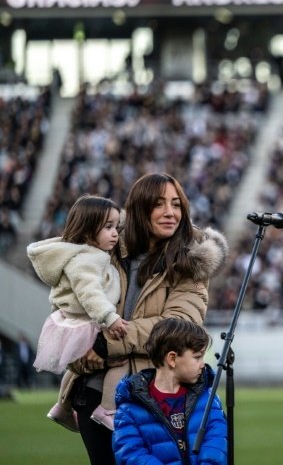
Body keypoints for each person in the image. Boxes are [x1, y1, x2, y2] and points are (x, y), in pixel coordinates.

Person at [62, 173, 228, 465]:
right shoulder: (106, 249)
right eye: (159, 204)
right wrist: (81, 352)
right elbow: (72, 309)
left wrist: (104, 346)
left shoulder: (192, 262)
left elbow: (179, 327)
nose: (170, 212)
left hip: (151, 397)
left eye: (176, 205)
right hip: (93, 390)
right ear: (139, 209)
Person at [27, 195, 129, 431]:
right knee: (119, 362)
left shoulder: (86, 255)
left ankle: (62, 406)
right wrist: (110, 318)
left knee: (75, 371)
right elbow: (90, 293)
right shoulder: (85, 260)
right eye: (108, 227)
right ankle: (106, 409)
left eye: (116, 227)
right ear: (86, 230)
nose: (115, 233)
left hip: (77, 322)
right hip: (87, 322)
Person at [112, 317, 227, 465]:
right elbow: (131, 455)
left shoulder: (208, 398)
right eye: (197, 357)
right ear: (172, 358)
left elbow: (216, 445)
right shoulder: (130, 407)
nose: (203, 364)